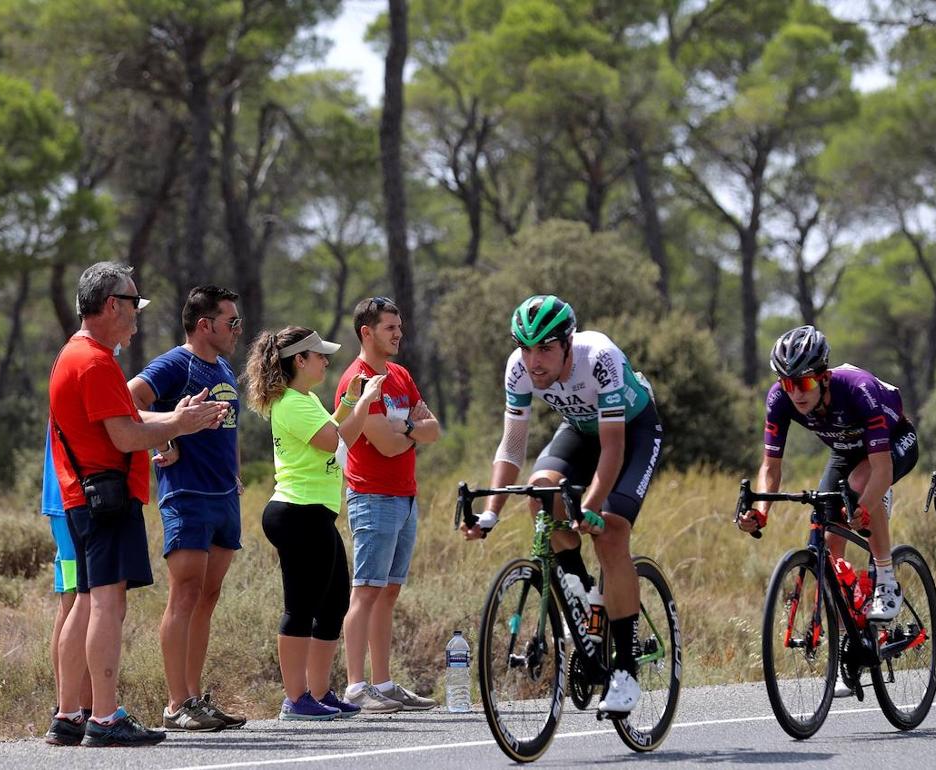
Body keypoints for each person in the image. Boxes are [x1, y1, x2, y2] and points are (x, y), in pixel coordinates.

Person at [45, 261, 228, 748]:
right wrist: (180, 426)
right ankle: (104, 717)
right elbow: (126, 435)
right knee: (107, 603)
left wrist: (173, 416)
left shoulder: (75, 355)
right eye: (132, 304)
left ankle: (68, 715)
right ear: (111, 306)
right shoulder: (96, 360)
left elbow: (123, 415)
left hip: (81, 498)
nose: (137, 315)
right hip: (106, 498)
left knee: (84, 601)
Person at [460, 295, 663, 717]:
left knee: (609, 529)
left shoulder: (600, 358)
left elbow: (612, 449)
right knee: (539, 489)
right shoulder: (518, 368)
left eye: (546, 349)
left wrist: (588, 506)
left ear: (568, 344)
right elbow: (512, 447)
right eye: (526, 348)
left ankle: (625, 669)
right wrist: (491, 513)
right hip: (580, 430)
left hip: (632, 430)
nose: (534, 362)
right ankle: (585, 594)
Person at [243, 325, 386, 720]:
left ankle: (319, 692)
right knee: (302, 606)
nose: (326, 360)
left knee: (335, 599)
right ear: (299, 361)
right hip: (296, 512)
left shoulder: (306, 398)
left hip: (313, 513)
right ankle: (296, 698)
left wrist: (350, 402)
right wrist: (365, 405)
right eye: (318, 355)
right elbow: (337, 441)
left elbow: (331, 431)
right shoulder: (292, 402)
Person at [739, 326, 919, 627]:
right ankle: (848, 632)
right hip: (845, 450)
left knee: (859, 489)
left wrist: (863, 508)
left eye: (803, 381)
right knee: (830, 537)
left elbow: (881, 468)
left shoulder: (858, 389)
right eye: (786, 383)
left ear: (823, 377)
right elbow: (770, 466)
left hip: (892, 443)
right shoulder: (779, 399)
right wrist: (761, 511)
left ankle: (887, 580)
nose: (795, 392)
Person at [128, 285, 248, 731]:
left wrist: (235, 475)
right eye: (231, 322)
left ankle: (194, 699)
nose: (238, 329)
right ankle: (176, 704)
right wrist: (167, 436)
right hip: (187, 495)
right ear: (205, 325)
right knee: (185, 594)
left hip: (223, 498)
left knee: (208, 596)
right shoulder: (175, 363)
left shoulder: (225, 368)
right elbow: (130, 401)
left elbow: (228, 428)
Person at [335, 297, 439, 713]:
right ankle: (356, 687)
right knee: (366, 592)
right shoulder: (357, 381)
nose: (399, 334)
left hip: (406, 497)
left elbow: (433, 429)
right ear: (367, 332)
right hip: (373, 498)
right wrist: (411, 430)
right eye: (389, 328)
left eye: (399, 326)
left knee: (388, 593)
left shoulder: (399, 374)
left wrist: (408, 426)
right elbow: (388, 444)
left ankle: (384, 683)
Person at [41, 428, 93, 733]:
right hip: (69, 499)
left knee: (73, 599)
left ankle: (73, 706)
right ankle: (71, 709)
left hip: (68, 499)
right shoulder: (76, 378)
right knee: (75, 599)